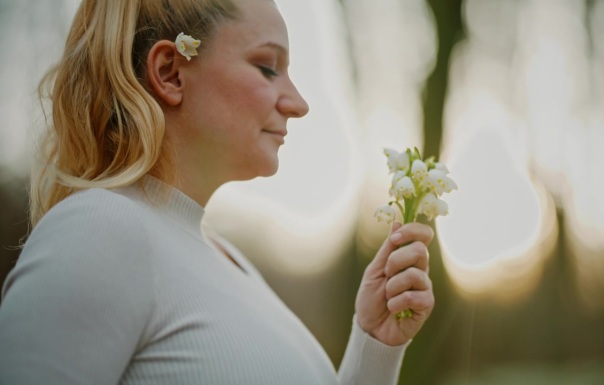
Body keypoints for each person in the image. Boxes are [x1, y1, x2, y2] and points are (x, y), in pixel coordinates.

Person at [0, 0, 435, 383]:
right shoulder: (99, 230)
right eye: (268, 67)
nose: (299, 103)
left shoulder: (233, 262)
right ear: (170, 73)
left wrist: (374, 344)